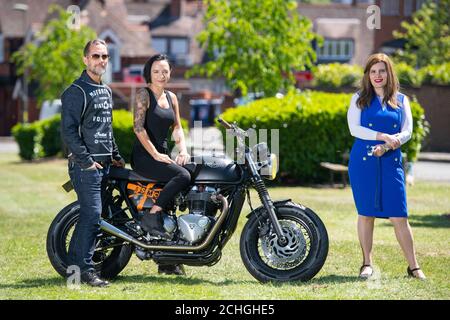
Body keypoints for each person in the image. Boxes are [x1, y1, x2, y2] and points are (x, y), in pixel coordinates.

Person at [347, 53, 426, 280]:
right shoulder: (358, 99)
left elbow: (407, 131)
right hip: (363, 162)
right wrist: (381, 136)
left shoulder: (402, 100)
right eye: (373, 71)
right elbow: (355, 129)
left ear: (389, 73)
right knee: (366, 213)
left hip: (391, 162)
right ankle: (366, 264)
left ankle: (413, 267)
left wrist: (390, 144)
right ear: (367, 75)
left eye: (381, 71)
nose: (377, 76)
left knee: (399, 215)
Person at [61, 39, 125, 287]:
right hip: (86, 167)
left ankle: (77, 271)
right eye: (96, 56)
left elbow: (106, 129)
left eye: (105, 56)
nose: (101, 61)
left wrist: (117, 155)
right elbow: (68, 131)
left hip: (106, 165)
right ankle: (83, 272)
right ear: (85, 59)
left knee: (96, 217)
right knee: (92, 215)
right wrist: (86, 162)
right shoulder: (76, 91)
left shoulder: (106, 90)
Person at [131, 54, 191, 276]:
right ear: (149, 73)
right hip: (145, 156)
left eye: (165, 71)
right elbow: (138, 129)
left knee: (189, 174)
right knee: (182, 177)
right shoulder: (143, 95)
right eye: (156, 71)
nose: (161, 75)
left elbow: (177, 127)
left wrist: (182, 149)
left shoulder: (172, 97)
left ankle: (168, 261)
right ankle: (152, 214)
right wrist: (156, 154)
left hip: (163, 154)